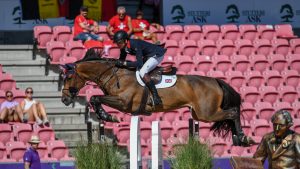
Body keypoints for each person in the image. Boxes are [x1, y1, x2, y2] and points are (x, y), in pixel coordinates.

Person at [113, 30, 166, 106]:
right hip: (148, 55)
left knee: (142, 72)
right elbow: (121, 60)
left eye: (119, 43)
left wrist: (124, 63)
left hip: (157, 54)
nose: (118, 45)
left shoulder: (134, 44)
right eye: (117, 43)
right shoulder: (124, 47)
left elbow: (139, 63)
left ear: (125, 40)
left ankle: (156, 97)